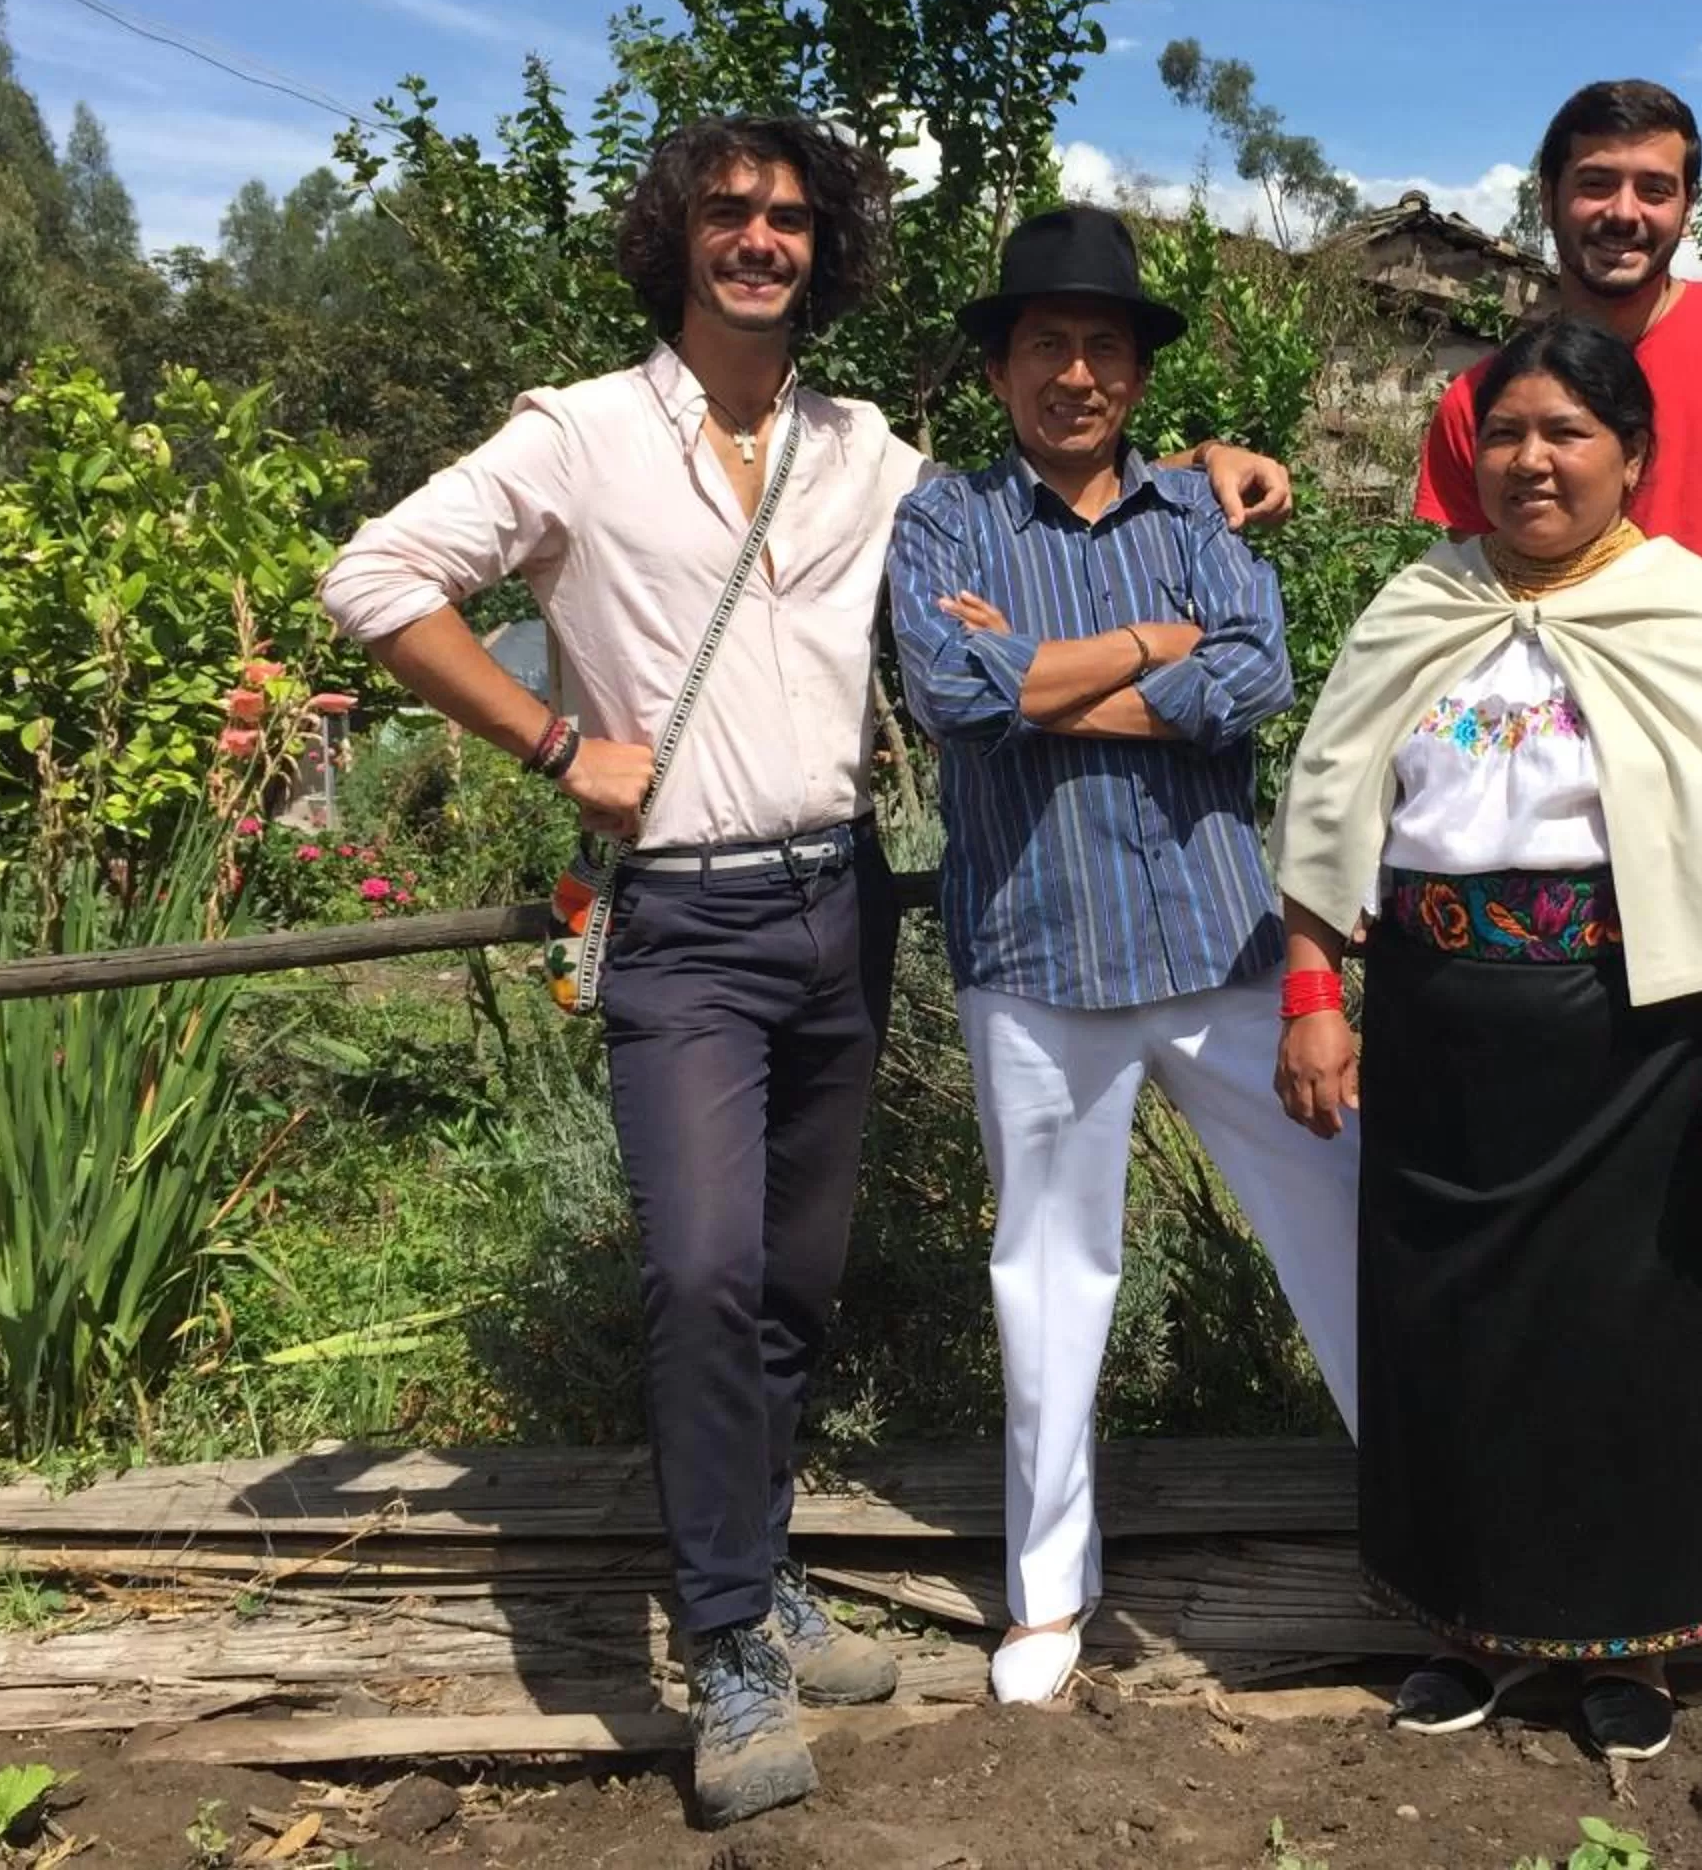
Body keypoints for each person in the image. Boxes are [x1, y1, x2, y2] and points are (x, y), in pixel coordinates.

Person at [317, 120, 1292, 1828]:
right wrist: (557, 741)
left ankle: (758, 1576)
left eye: (788, 217)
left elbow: (1055, 469)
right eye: (728, 213)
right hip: (683, 914)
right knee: (697, 1270)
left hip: (839, 905)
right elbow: (377, 576)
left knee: (786, 1284)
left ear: (824, 248)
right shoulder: (580, 432)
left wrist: (1207, 465)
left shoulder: (869, 453)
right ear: (677, 239)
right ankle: (726, 1646)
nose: (760, 238)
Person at [1275, 315, 1702, 1764]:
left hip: (1637, 1040)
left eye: (1568, 433)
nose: (1533, 460)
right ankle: (1470, 1618)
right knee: (1455, 1338)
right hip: (1443, 1034)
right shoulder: (1418, 606)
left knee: (1628, 1343)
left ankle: (1639, 1643)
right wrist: (1314, 991)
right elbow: (1333, 809)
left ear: (1632, 457)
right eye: (1509, 433)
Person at [888, 206, 1360, 1706]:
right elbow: (953, 687)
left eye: (1103, 346)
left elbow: (1259, 678)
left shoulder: (1198, 512)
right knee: (1047, 1269)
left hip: (1223, 942)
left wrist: (1044, 672)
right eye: (1046, 344)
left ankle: (1439, 1514)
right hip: (1036, 954)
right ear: (1000, 368)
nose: (1075, 371)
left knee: (1341, 1224)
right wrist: (1157, 644)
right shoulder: (944, 519)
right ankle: (1046, 1590)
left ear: (1138, 374)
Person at [1415, 79, 1702, 1391]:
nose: (1624, 212)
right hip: (1552, 851)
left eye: (1653, 187)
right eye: (1597, 183)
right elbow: (1453, 633)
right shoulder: (1488, 397)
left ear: (1686, 202)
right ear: (1550, 195)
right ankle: (1582, 1495)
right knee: (1557, 1180)